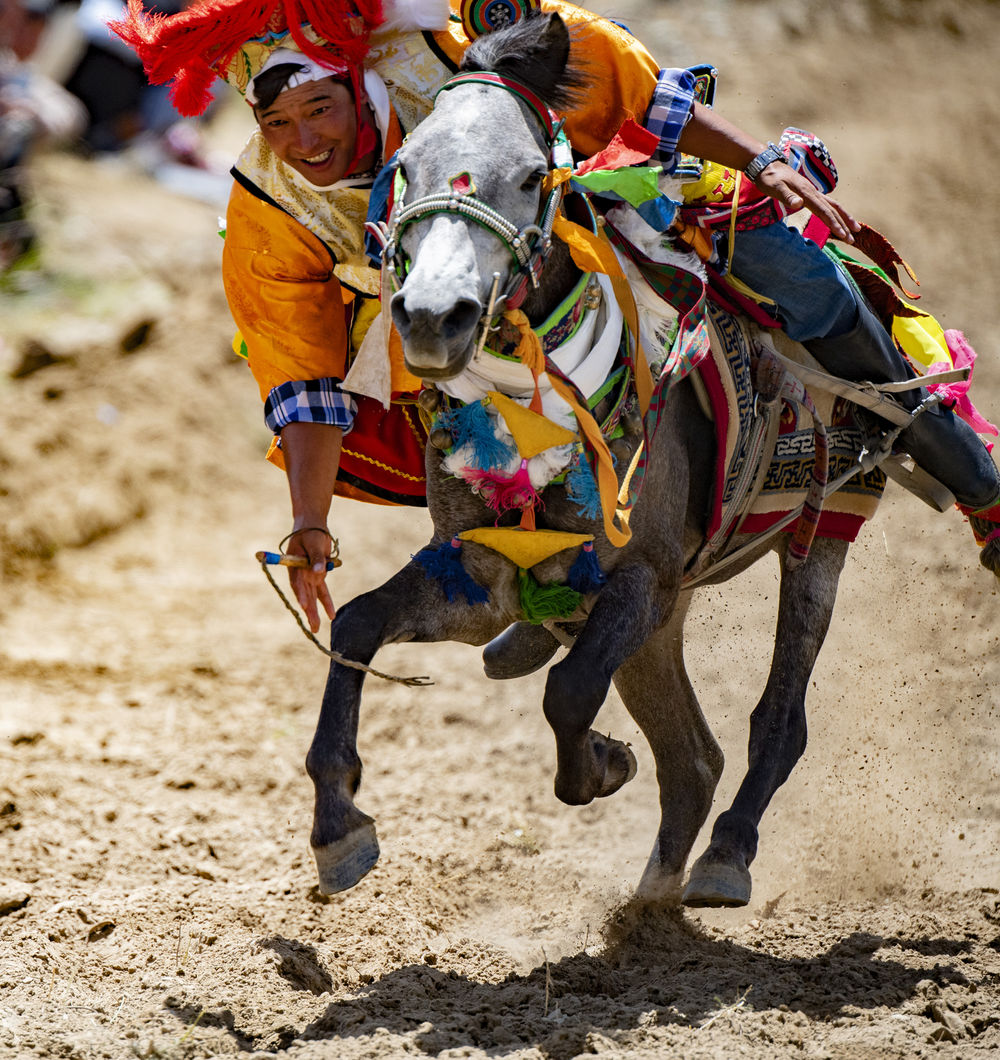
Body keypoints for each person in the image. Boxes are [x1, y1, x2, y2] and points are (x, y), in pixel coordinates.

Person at [110, 0, 1000, 652]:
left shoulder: (452, 47)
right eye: (276, 121)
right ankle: (542, 579)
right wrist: (308, 526)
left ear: (358, 80)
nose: (303, 140)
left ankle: (968, 473)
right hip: (439, 315)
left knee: (786, 265)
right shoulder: (270, 205)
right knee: (437, 406)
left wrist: (760, 161)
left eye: (319, 109)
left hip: (584, 202)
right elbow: (297, 368)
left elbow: (616, 75)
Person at [0, 0, 85, 269]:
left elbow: (70, 115)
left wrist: (29, 112)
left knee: (18, 127)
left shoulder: (15, 69)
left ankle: (15, 240)